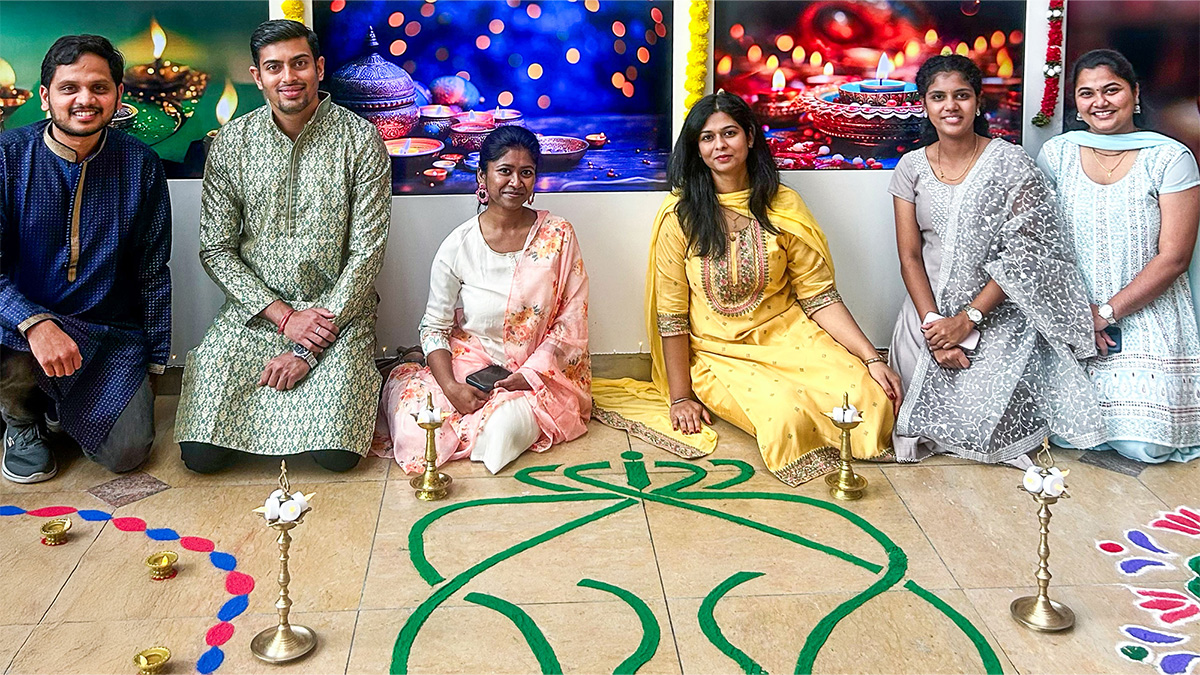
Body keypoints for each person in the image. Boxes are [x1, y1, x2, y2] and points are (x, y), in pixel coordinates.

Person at [592, 92, 901, 487]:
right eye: (707, 138)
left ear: (750, 137)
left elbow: (819, 296)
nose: (719, 145)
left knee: (869, 398)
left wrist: (871, 358)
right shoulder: (680, 216)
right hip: (719, 352)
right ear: (696, 149)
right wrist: (681, 396)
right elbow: (671, 315)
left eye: (730, 133)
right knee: (785, 416)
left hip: (790, 337)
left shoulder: (783, 205)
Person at [174, 20, 390, 473]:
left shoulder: (361, 140)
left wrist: (308, 347)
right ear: (258, 77)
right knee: (200, 456)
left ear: (319, 67)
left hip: (337, 315)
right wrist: (283, 317)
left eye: (299, 64)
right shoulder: (232, 142)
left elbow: (367, 254)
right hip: (255, 314)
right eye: (274, 67)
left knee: (337, 457)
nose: (288, 77)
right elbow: (216, 249)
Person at [888, 55, 1104, 465]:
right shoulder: (910, 167)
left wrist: (967, 321)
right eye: (938, 97)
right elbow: (910, 257)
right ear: (924, 104)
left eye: (961, 96)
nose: (950, 106)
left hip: (994, 312)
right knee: (911, 408)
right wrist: (936, 328)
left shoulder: (1011, 162)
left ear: (978, 102)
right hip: (925, 313)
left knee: (983, 413)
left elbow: (1026, 255)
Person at [0, 35, 170, 483]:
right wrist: (34, 321)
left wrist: (153, 364)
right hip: (18, 329)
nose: (84, 100)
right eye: (69, 88)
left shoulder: (141, 165)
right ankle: (21, 422)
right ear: (45, 97)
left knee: (129, 451)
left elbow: (152, 272)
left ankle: (58, 406)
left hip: (106, 333)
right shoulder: (7, 158)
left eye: (98, 88)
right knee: (15, 346)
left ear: (117, 96)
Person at [373, 126, 590, 474]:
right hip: (471, 364)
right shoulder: (459, 244)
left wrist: (529, 375)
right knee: (415, 425)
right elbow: (434, 327)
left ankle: (487, 425)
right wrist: (451, 387)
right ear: (482, 176)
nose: (515, 182)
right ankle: (462, 418)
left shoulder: (558, 235)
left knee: (499, 440)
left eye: (526, 172)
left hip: (538, 374)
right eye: (504, 171)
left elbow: (571, 319)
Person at [1037, 49, 1200, 464]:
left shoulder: (1170, 157)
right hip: (1076, 311)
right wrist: (1077, 316)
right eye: (1087, 93)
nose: (1100, 102)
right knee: (1070, 437)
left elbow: (1175, 258)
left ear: (1135, 93)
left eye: (1112, 90)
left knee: (1145, 445)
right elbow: (1044, 246)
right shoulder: (1057, 154)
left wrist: (1106, 313)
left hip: (1149, 309)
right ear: (1075, 101)